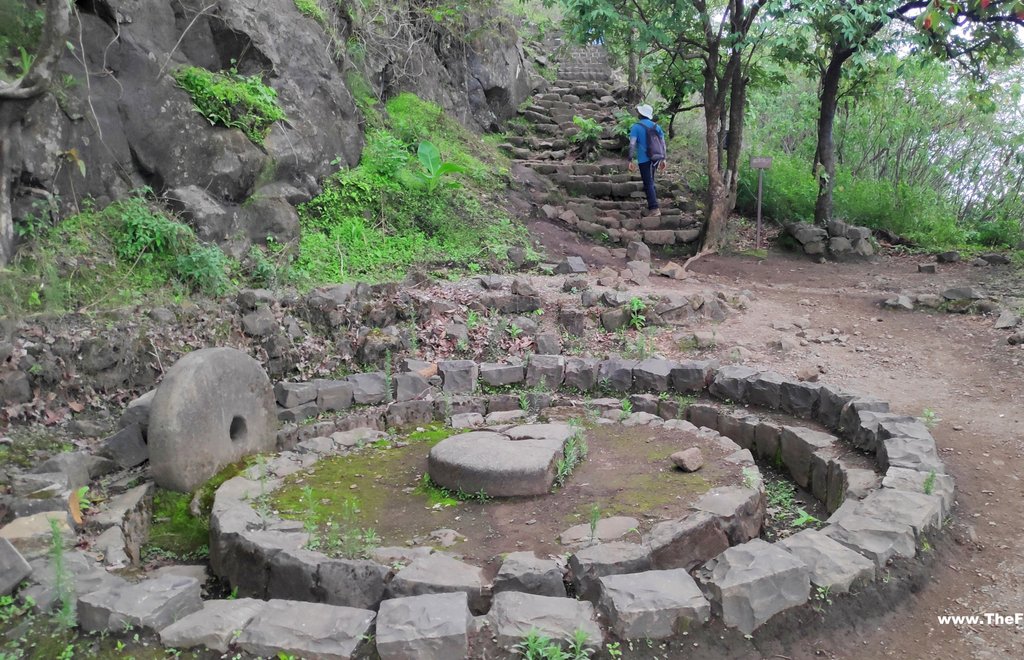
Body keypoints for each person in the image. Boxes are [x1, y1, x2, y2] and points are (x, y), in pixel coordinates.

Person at [628, 104, 667, 217]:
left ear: (640, 114)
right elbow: (663, 144)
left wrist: (630, 160)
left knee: (648, 182)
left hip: (644, 159)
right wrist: (664, 158)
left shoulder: (636, 127)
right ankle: (651, 205)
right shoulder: (656, 127)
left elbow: (632, 145)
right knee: (650, 181)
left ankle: (654, 208)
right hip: (656, 158)